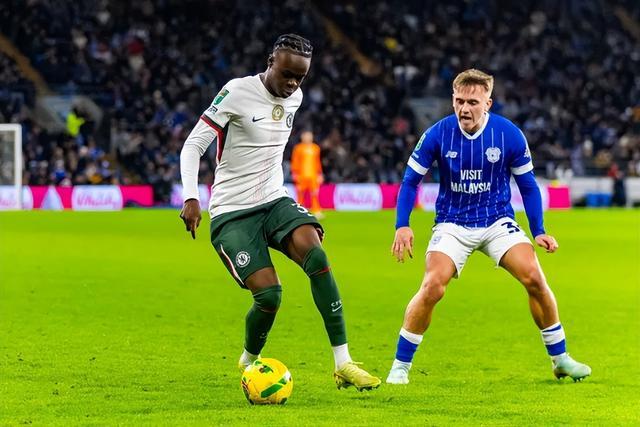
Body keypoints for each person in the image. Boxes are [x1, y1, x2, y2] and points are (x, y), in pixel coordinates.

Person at [179, 34, 380, 391]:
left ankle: (343, 363)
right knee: (270, 296)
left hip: (274, 201)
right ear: (271, 61)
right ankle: (248, 359)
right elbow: (194, 145)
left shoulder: (295, 98)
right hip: (232, 211)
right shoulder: (236, 92)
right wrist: (191, 198)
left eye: (300, 77)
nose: (292, 84)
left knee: (317, 256)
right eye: (287, 74)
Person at [386, 69, 591, 384]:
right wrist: (403, 224)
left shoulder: (508, 135)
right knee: (433, 286)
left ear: (488, 104)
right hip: (452, 223)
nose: (464, 108)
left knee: (534, 277)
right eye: (459, 101)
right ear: (452, 100)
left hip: (497, 221)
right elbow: (410, 181)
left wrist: (538, 230)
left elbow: (528, 186)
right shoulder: (437, 134)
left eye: (472, 102)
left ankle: (560, 359)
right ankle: (400, 367)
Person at [291, 130, 324, 218]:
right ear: (302, 137)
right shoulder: (298, 148)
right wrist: (294, 173)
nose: (308, 138)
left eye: (309, 136)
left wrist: (320, 174)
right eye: (306, 136)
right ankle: (299, 211)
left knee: (314, 194)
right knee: (300, 194)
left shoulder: (315, 148)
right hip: (301, 175)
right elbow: (295, 161)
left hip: (313, 175)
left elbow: (318, 162)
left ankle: (316, 211)